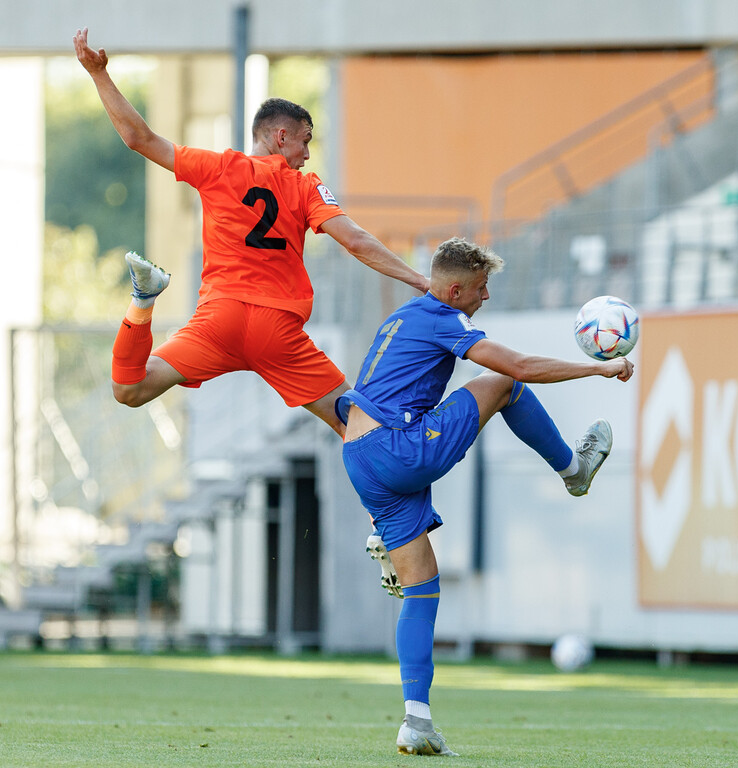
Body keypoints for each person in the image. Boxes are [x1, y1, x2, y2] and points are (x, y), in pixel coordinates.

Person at [336, 237, 634, 756]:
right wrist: (597, 368)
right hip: (400, 448)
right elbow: (517, 366)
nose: (486, 296)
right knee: (502, 384)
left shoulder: (404, 316)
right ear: (454, 290)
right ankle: (573, 469)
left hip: (360, 457)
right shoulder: (443, 319)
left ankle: (417, 721)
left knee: (421, 589)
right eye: (480, 288)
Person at [73, 28, 428, 437]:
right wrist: (419, 279)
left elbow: (139, 138)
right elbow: (356, 240)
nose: (308, 154)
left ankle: (142, 302)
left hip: (219, 319)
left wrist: (99, 74)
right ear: (281, 136)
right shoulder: (306, 185)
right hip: (276, 328)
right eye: (305, 141)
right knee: (357, 426)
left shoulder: (218, 167)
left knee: (129, 388)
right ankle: (395, 497)